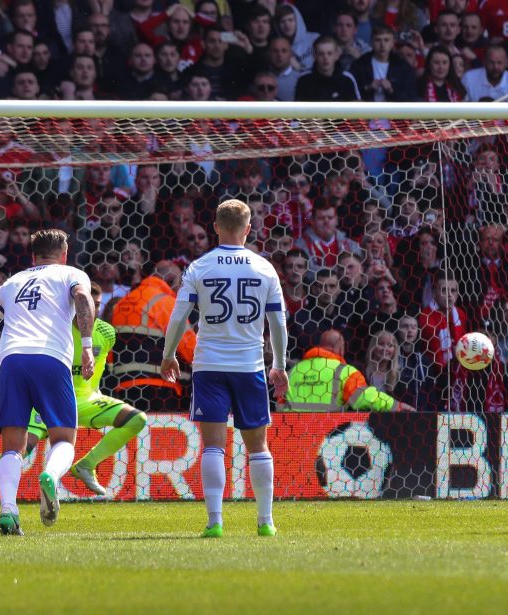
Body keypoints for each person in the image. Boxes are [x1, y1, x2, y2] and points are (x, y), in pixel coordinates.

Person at [0, 284, 148, 503]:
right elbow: (7, 355)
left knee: (136, 419)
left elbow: (96, 369)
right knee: (22, 446)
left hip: (86, 400)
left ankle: (86, 465)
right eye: (89, 304)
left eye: (97, 305)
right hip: (51, 399)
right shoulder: (52, 330)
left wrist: (96, 392)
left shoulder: (106, 332)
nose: (92, 310)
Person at [160, 199, 288, 538]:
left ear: (215, 227)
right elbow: (278, 322)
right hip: (250, 366)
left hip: (210, 366)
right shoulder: (264, 269)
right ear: (248, 229)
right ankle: (265, 522)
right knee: (258, 446)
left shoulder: (199, 267)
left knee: (213, 446)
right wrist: (280, 364)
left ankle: (215, 521)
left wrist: (168, 354)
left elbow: (179, 316)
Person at [0, 229, 95, 536]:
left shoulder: (11, 283)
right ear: (64, 253)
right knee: (63, 438)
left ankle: (8, 512)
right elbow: (82, 298)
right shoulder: (71, 273)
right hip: (49, 357)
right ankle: (49, 475)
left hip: (13, 359)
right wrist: (86, 344)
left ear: (33, 255)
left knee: (13, 444)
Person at [110, 261, 196, 412]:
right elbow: (192, 350)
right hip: (159, 390)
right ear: (170, 280)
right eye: (181, 283)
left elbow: (110, 354)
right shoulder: (165, 302)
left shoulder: (122, 303)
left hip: (122, 389)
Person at [285, 329, 415, 412]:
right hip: (327, 435)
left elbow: (280, 405)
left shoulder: (293, 372)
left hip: (294, 436)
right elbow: (365, 397)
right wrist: (395, 406)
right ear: (340, 348)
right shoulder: (345, 372)